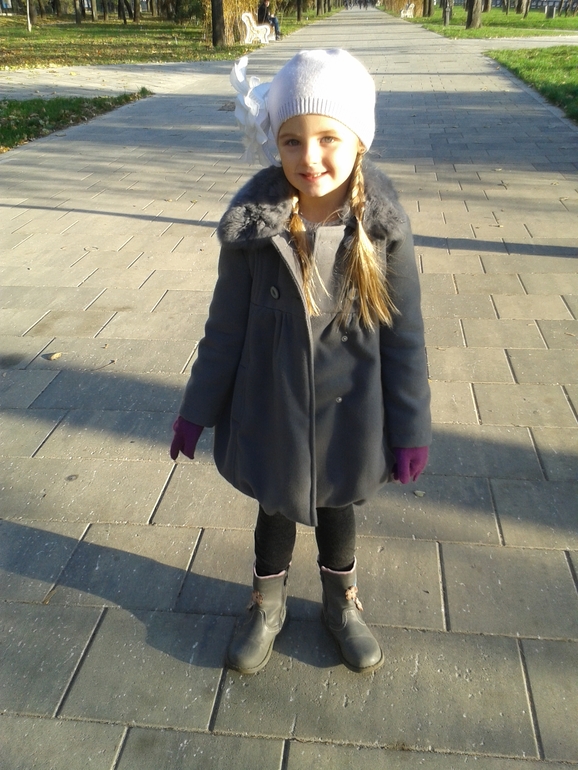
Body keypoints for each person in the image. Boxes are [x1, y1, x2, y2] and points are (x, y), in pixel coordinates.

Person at [170, 49, 431, 676]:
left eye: (327, 138)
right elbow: (224, 330)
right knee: (275, 507)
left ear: (359, 140)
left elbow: (406, 338)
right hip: (272, 409)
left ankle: (342, 602)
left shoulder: (383, 231)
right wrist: (195, 411)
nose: (309, 157)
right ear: (274, 142)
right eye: (291, 140)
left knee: (338, 509)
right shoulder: (253, 232)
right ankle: (267, 603)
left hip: (351, 414)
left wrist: (411, 429)